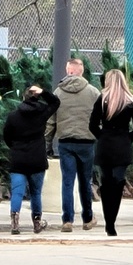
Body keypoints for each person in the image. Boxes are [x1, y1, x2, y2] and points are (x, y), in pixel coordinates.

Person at [45, 58, 102, 233]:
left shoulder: (58, 93)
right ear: (82, 71)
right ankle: (87, 218)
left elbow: (51, 121)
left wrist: (47, 143)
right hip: (86, 143)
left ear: (68, 70)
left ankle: (67, 220)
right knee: (85, 182)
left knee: (67, 182)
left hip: (65, 143)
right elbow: (101, 119)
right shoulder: (93, 93)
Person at [88, 69, 133, 236]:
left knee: (106, 183)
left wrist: (102, 136)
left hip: (105, 144)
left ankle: (108, 221)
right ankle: (112, 221)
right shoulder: (131, 102)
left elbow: (92, 125)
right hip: (122, 145)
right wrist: (128, 138)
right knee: (118, 182)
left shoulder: (102, 99)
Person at [3, 85, 61, 234]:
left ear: (23, 97)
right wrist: (44, 92)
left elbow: (6, 137)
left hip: (18, 159)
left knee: (17, 192)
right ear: (37, 97)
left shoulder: (13, 116)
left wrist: (15, 147)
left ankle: (15, 223)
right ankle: (36, 222)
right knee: (36, 193)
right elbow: (55, 103)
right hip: (37, 158)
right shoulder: (41, 113)